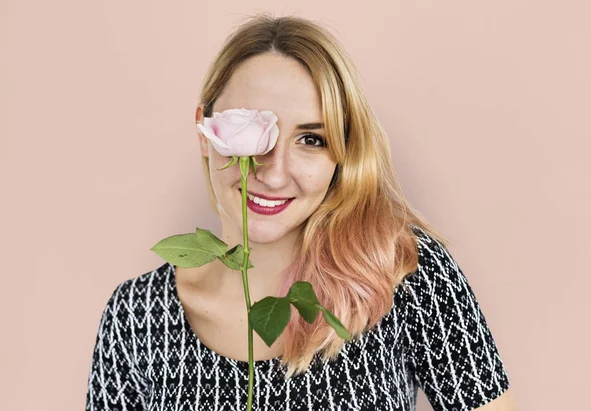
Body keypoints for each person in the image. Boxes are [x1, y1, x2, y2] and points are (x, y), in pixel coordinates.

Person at [85, 13, 516, 411]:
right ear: (205, 131)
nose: (273, 173)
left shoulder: (404, 272)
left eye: (311, 140)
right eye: (252, 131)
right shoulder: (135, 317)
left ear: (340, 156)